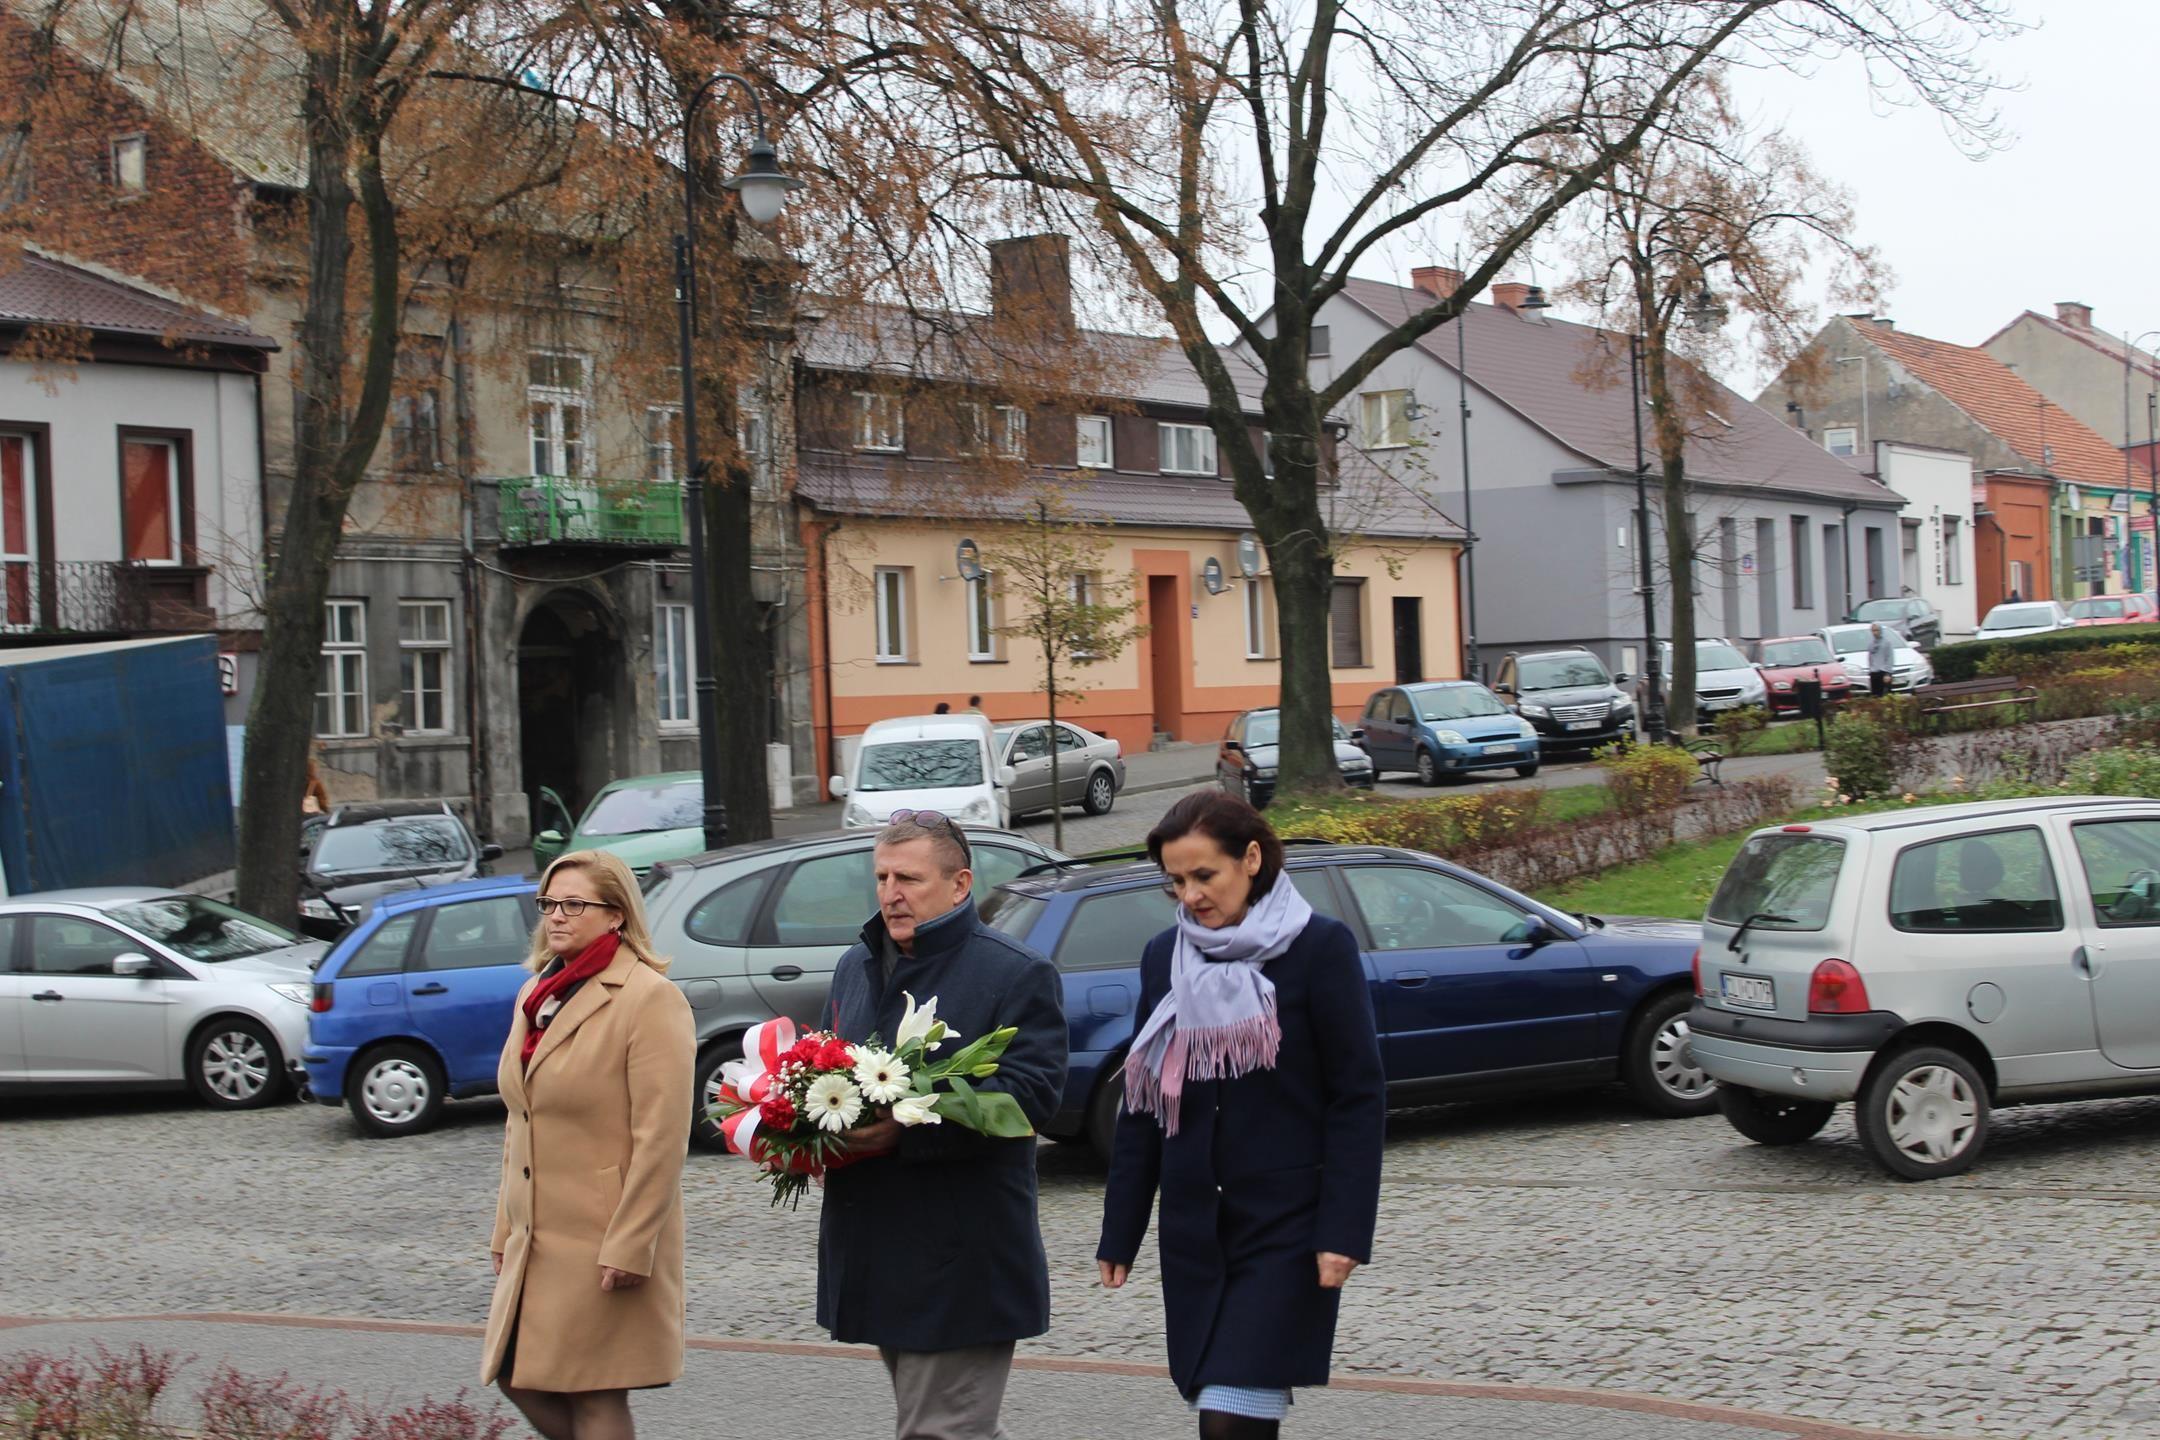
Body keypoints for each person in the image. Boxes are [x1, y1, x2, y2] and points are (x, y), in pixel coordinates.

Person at [1098, 791, 1384, 1439]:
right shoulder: (1162, 958)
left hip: (1287, 1226)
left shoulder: (1320, 949)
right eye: (1176, 882)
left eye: (1204, 875)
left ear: (1251, 858)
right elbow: (1145, 1102)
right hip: (1197, 1225)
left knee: (1229, 1421)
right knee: (1220, 1407)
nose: (1191, 895)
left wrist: (1344, 1229)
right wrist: (1122, 1228)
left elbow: (1357, 1097)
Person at [819, 813, 1067, 1440]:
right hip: (876, 1245)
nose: (890, 893)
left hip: (960, 1257)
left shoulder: (1014, 972)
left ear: (960, 885)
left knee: (940, 1430)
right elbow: (831, 1067)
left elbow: (1030, 1098)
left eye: (908, 878)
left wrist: (910, 1128)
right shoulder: (857, 965)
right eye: (881, 877)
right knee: (953, 1427)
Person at [482, 849, 695, 1440]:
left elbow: (662, 1137)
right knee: (516, 1372)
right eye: (549, 903)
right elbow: (519, 1123)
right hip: (540, 1235)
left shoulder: (649, 998)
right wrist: (505, 1227)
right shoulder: (538, 993)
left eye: (575, 904)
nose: (556, 916)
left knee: (595, 1390)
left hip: (604, 1232)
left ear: (616, 915)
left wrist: (630, 1243)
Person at [1866, 621, 1898, 698]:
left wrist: (1888, 673)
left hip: (1884, 672)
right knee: (1875, 696)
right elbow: (1870, 657)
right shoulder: (1871, 644)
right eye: (1873, 631)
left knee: (1886, 695)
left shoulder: (1887, 643)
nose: (1875, 633)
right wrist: (1870, 669)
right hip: (1874, 672)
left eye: (1877, 630)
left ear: (1880, 631)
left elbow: (1889, 658)